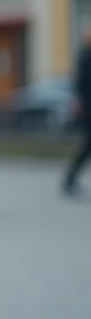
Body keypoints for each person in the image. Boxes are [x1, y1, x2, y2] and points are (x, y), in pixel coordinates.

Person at [63, 26, 91, 197]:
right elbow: (81, 86)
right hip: (89, 108)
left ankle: (70, 178)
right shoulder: (86, 58)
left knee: (87, 146)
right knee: (87, 145)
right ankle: (70, 179)